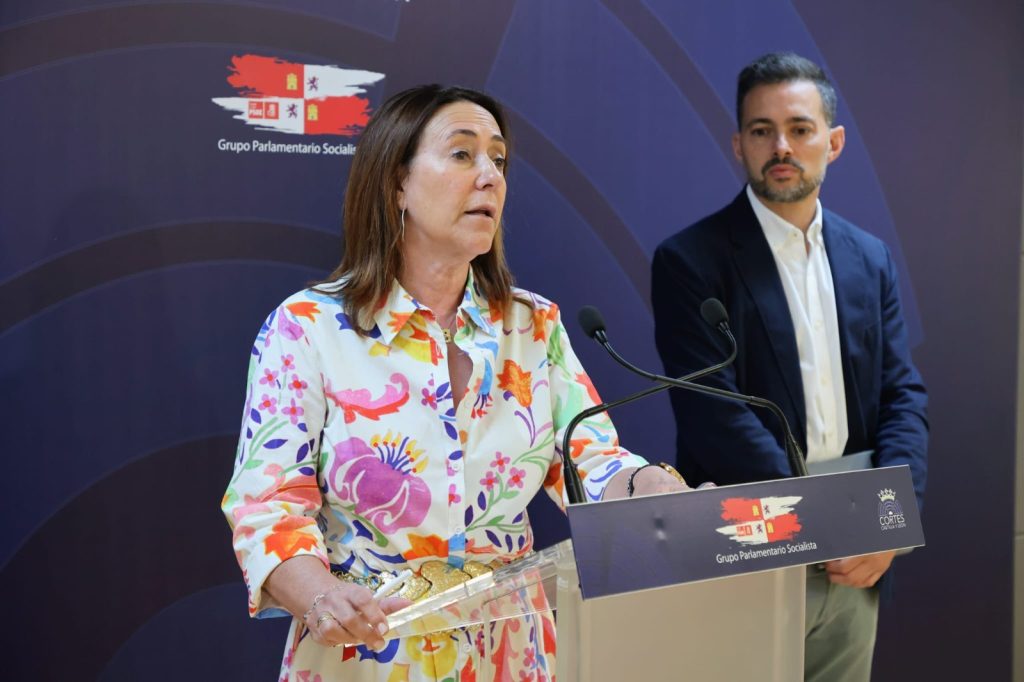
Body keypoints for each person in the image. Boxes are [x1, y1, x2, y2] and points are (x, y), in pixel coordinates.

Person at [222, 84, 686, 681]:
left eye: (499, 159)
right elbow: (266, 506)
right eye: (463, 154)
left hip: (509, 654)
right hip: (369, 649)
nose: (490, 176)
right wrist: (320, 595)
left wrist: (648, 486)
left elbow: (589, 462)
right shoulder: (307, 328)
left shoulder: (532, 325)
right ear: (397, 183)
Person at [651, 53, 928, 682]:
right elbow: (712, 415)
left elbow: (902, 396)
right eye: (762, 130)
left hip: (858, 555)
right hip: (750, 545)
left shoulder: (870, 258)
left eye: (800, 129)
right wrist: (825, 522)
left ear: (833, 142)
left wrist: (890, 523)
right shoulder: (690, 261)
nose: (781, 146)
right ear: (738, 145)